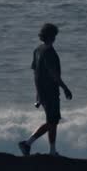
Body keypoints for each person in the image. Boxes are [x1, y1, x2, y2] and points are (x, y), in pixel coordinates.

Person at [19, 23, 72, 157]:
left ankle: (50, 150)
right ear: (51, 36)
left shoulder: (37, 50)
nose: (55, 38)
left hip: (43, 91)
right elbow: (54, 75)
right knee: (52, 121)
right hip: (50, 91)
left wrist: (37, 94)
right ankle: (28, 144)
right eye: (54, 35)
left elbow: (36, 74)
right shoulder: (49, 52)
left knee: (53, 120)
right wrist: (65, 88)